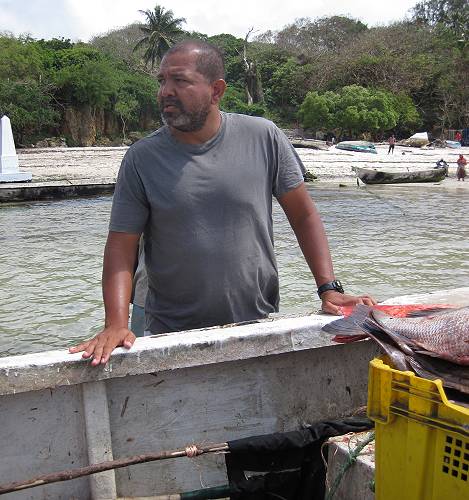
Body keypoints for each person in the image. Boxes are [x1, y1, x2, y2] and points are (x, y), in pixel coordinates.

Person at [69, 40, 376, 366]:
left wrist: (328, 288)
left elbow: (303, 216)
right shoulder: (141, 158)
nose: (165, 91)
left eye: (180, 80)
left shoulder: (264, 137)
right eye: (162, 81)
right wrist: (115, 324)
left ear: (216, 91)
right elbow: (121, 246)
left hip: (256, 316)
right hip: (168, 329)